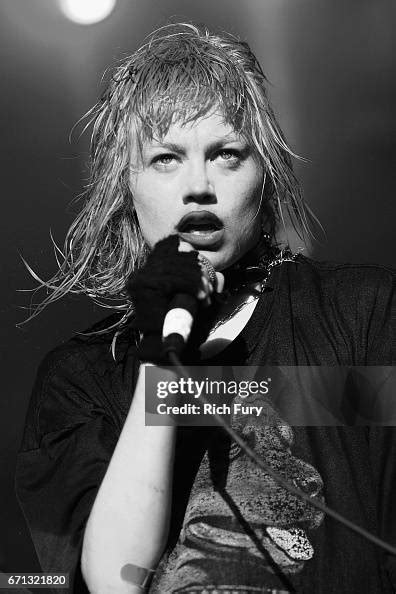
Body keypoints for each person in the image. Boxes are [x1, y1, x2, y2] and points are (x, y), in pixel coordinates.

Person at [15, 22, 396, 594]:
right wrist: (158, 360)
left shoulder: (364, 316)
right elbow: (116, 581)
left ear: (264, 178)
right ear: (127, 189)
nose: (199, 185)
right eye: (166, 158)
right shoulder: (81, 381)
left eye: (227, 155)